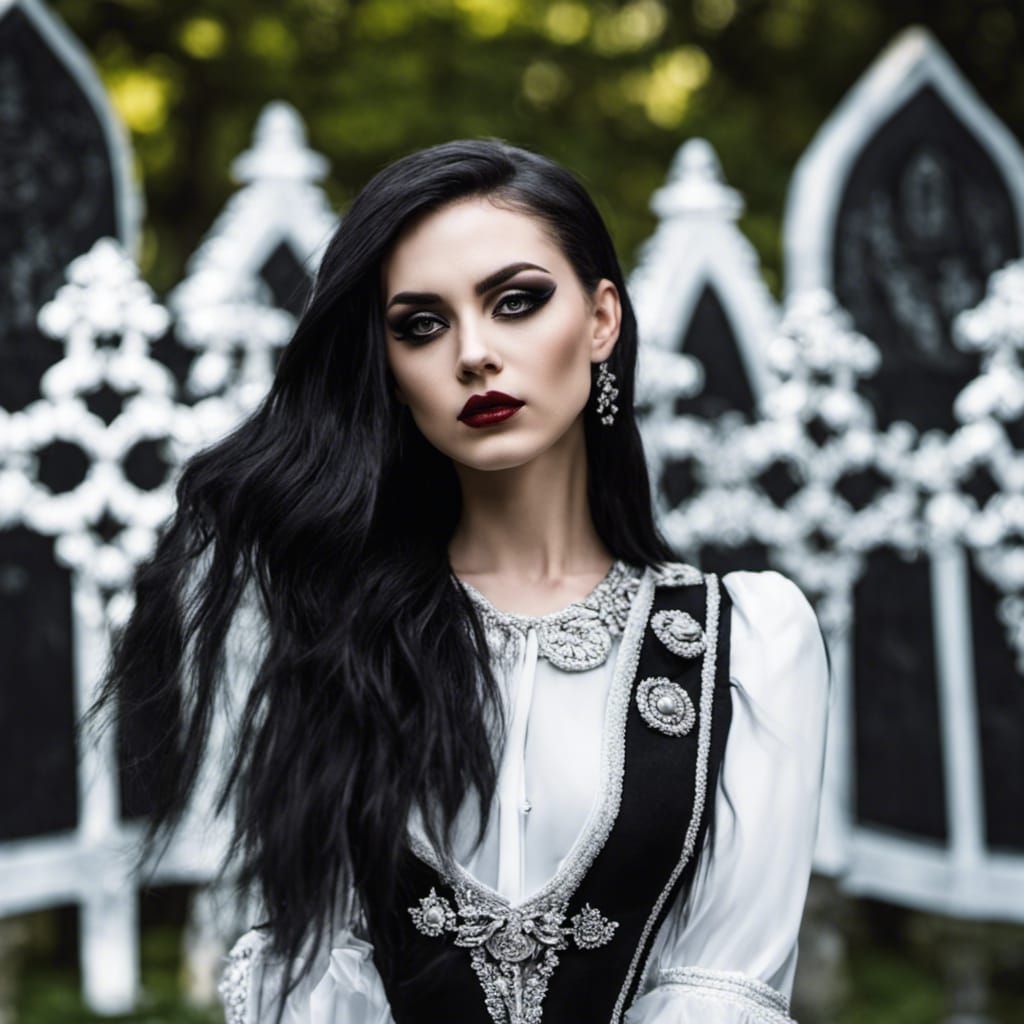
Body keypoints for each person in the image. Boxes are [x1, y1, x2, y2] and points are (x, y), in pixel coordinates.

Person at [97, 138, 830, 1024]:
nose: (474, 353)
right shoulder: (325, 621)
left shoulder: (745, 644)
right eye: (421, 324)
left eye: (516, 302)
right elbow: (316, 977)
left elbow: (723, 990)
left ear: (602, 320)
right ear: (391, 369)